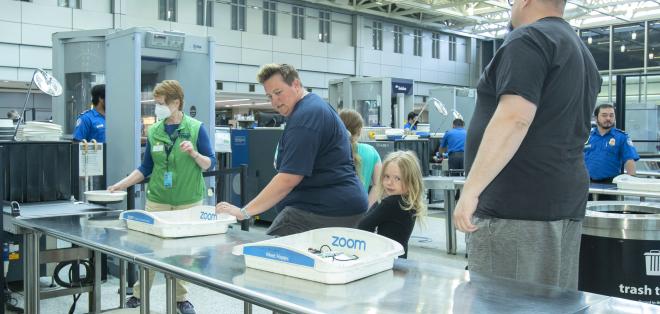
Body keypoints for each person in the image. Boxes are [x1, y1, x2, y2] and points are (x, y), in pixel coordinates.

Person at [453, 0, 601, 289]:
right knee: (551, 303)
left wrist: (470, 190)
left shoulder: (529, 38)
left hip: (515, 208)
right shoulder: (581, 52)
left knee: (501, 303)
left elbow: (514, 118)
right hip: (562, 201)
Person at [215, 64, 368, 236]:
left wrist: (243, 212)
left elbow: (288, 178)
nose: (274, 101)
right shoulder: (312, 107)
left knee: (270, 254)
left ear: (296, 84)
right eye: (269, 96)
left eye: (278, 92)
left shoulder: (306, 116)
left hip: (325, 209)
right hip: (333, 206)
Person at [108, 80, 216, 314]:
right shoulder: (155, 131)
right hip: (158, 199)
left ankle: (181, 298)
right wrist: (121, 184)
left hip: (188, 201)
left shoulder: (196, 128)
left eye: (160, 103)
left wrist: (194, 153)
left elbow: (210, 163)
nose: (157, 108)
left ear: (176, 102)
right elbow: (145, 167)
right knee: (151, 249)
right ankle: (138, 294)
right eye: (156, 103)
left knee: (183, 253)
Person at [357, 151, 427, 259]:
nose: (390, 182)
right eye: (386, 176)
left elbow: (363, 226)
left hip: (386, 259)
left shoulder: (391, 203)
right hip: (400, 258)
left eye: (397, 178)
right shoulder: (408, 202)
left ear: (411, 181)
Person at [584, 103, 639, 185]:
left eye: (611, 115)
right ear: (596, 118)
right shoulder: (586, 136)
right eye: (604, 115)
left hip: (611, 185)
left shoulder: (622, 137)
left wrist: (632, 183)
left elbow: (629, 160)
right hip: (586, 184)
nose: (608, 118)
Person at [339, 109, 382, 207]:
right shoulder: (371, 151)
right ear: (359, 130)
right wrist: (366, 209)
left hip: (334, 212)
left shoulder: (331, 152)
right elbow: (378, 185)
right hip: (359, 211)